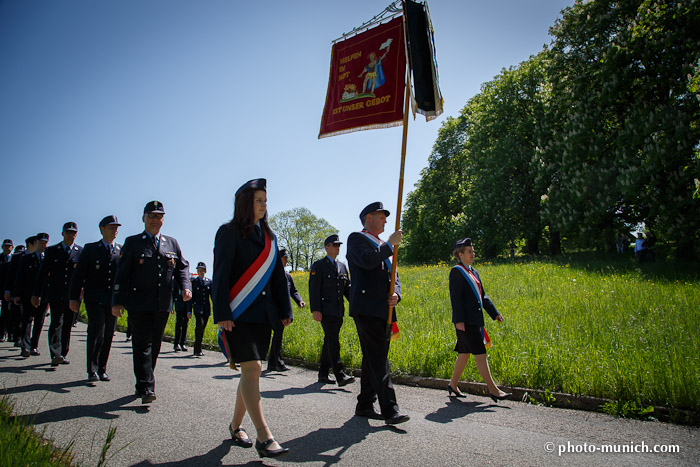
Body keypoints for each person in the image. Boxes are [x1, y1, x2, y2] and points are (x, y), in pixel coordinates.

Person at [213, 178, 292, 458]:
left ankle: (235, 426)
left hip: (264, 316)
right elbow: (220, 275)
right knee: (253, 369)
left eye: (265, 201)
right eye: (258, 200)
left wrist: (285, 310)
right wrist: (222, 313)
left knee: (252, 373)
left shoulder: (270, 238)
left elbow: (277, 279)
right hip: (238, 314)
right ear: (246, 204)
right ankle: (264, 436)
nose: (263, 205)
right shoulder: (228, 232)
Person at [111, 201, 191, 404]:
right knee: (142, 344)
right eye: (152, 216)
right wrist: (118, 301)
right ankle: (148, 387)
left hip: (162, 303)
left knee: (155, 346)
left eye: (159, 216)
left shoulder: (171, 243)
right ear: (144, 218)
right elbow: (122, 274)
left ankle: (142, 383)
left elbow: (182, 267)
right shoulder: (133, 242)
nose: (156, 220)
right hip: (139, 302)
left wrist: (185, 286)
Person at [346, 202, 409, 425]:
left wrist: (397, 295)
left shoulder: (385, 246)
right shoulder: (357, 239)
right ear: (368, 218)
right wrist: (389, 245)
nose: (385, 220)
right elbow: (367, 261)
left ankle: (364, 404)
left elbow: (395, 277)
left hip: (384, 309)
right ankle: (390, 410)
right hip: (366, 307)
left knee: (373, 358)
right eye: (381, 217)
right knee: (379, 357)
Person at [447, 238, 511, 402]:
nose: (473, 254)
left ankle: (453, 385)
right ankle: (494, 390)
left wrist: (494, 312)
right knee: (480, 355)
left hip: (476, 320)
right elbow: (456, 298)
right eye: (469, 251)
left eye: (473, 251)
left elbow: (483, 296)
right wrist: (459, 320)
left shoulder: (473, 272)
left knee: (464, 353)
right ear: (460, 254)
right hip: (466, 322)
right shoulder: (456, 271)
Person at [69, 215, 122, 383]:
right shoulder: (90, 249)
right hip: (94, 298)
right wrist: (74, 298)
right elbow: (78, 276)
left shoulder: (120, 251)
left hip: (111, 300)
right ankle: (91, 368)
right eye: (111, 227)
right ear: (102, 229)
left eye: (116, 228)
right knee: (96, 328)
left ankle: (102, 368)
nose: (115, 231)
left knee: (108, 333)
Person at [33, 222, 83, 366]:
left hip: (71, 295)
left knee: (67, 324)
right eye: (68, 232)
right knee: (56, 322)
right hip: (55, 292)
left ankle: (63, 353)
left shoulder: (80, 251)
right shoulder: (52, 250)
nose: (70, 235)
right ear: (62, 233)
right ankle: (55, 353)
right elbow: (42, 274)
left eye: (73, 233)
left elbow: (82, 275)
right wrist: (36, 294)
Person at [309, 234, 354, 386]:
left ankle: (322, 374)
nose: (337, 248)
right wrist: (315, 309)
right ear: (326, 247)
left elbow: (347, 289)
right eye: (334, 245)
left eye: (338, 245)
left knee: (329, 341)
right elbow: (314, 289)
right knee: (333, 341)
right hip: (325, 310)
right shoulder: (319, 265)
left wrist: (355, 304)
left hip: (338, 310)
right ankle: (340, 375)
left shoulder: (342, 266)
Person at [267, 248, 305, 371]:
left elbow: (293, 291)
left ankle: (273, 363)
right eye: (284, 258)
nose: (286, 261)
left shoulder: (287, 276)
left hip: (283, 309)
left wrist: (299, 301)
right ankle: (278, 361)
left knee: (279, 333)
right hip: (273, 309)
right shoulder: (271, 274)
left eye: (287, 258)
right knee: (278, 331)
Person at [15, 233, 49, 357]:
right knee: (26, 321)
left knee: (39, 322)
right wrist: (17, 294)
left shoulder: (48, 259)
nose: (43, 245)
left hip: (43, 296)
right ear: (36, 243)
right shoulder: (26, 259)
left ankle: (34, 346)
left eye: (45, 243)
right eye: (40, 242)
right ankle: (25, 346)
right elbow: (20, 277)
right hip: (27, 294)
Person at [4, 243, 26, 347]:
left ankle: (22, 338)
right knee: (14, 315)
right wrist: (8, 290)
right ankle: (14, 336)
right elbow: (10, 276)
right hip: (14, 291)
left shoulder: (28, 259)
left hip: (25, 292)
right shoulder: (13, 262)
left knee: (23, 316)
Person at [190, 261, 211, 357]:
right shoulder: (194, 282)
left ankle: (199, 347)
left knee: (203, 328)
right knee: (199, 326)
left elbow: (212, 295)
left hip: (206, 308)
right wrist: (189, 310)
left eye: (202, 270)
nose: (200, 272)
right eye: (198, 270)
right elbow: (192, 297)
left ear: (205, 271)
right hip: (198, 307)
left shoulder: (209, 282)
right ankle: (196, 349)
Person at [0, 239, 14, 342]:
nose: (7, 248)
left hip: (9, 288)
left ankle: (8, 333)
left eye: (9, 246)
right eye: (6, 246)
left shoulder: (14, 259)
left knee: (8, 311)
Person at [172, 279, 190, 352]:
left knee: (185, 324)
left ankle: (183, 343)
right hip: (179, 304)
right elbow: (173, 292)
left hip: (186, 305)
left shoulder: (188, 281)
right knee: (179, 324)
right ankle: (176, 344)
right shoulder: (176, 281)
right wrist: (171, 305)